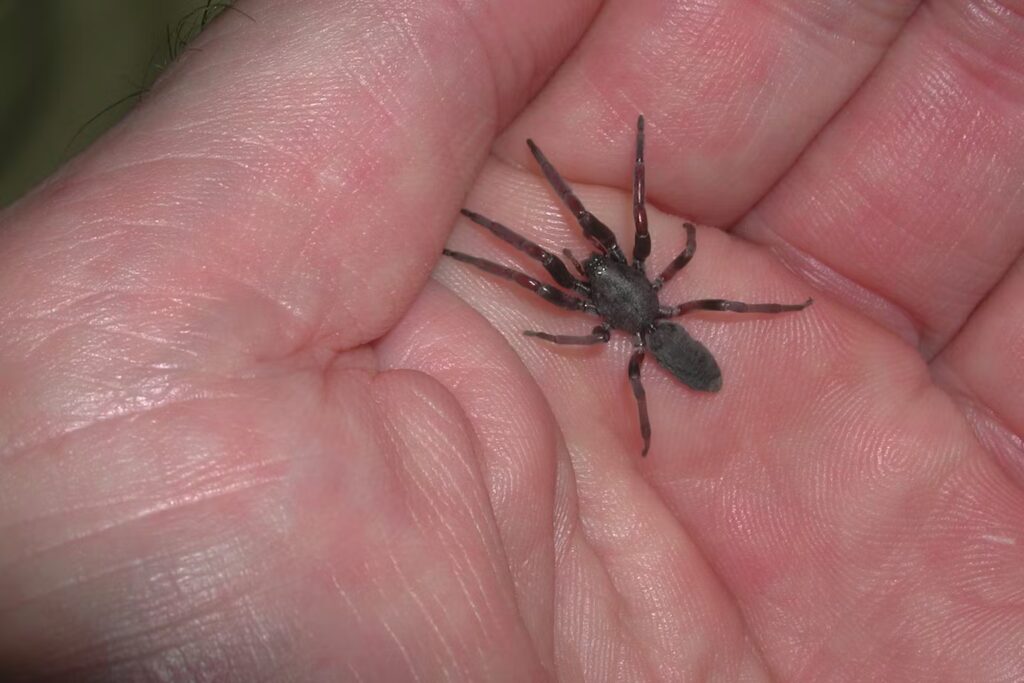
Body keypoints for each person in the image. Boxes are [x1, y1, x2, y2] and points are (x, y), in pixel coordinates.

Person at [1, 1, 1022, 679]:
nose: (594, 261)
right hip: (656, 324)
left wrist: (579, 235)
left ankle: (506, 216)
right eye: (602, 269)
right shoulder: (642, 295)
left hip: (658, 332)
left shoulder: (624, 316)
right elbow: (620, 244)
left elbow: (616, 239)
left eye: (602, 266)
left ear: (627, 284)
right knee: (541, 254)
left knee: (543, 253)